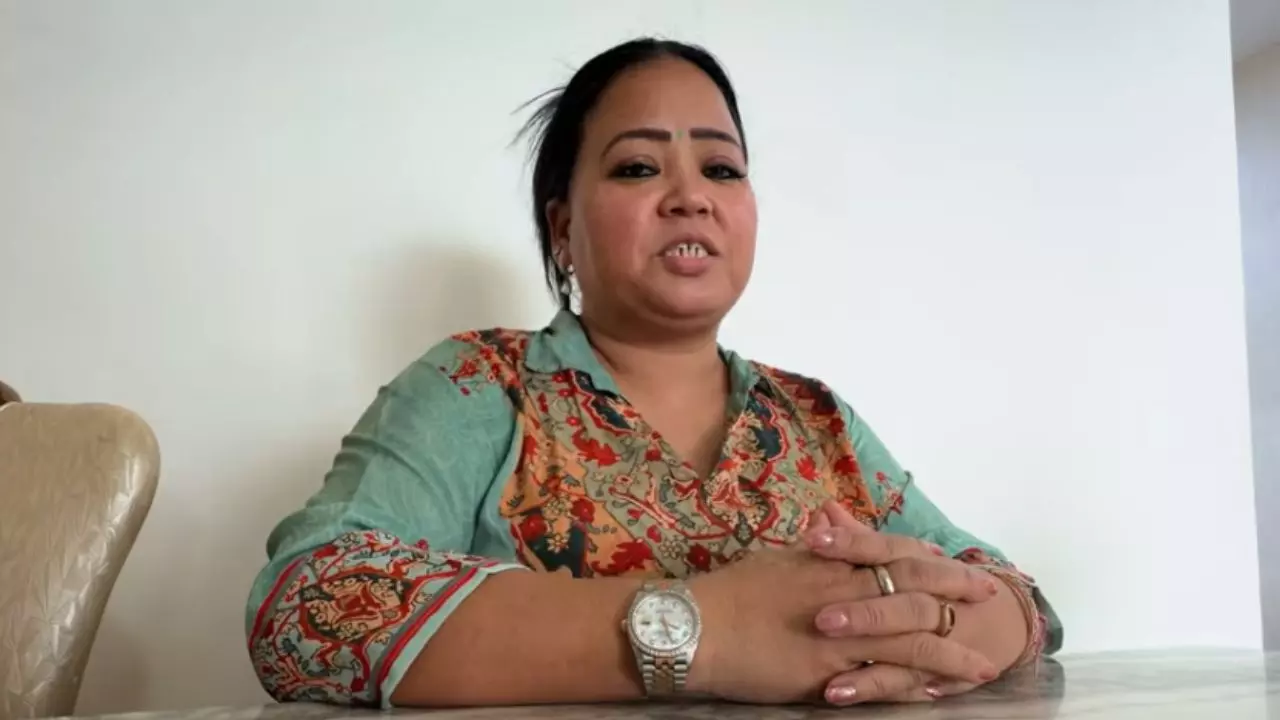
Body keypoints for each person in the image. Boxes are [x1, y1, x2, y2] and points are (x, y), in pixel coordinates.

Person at [244, 37, 1062, 710]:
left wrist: (934, 630)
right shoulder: (482, 385)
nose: (690, 197)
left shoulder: (814, 418)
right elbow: (306, 606)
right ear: (562, 229)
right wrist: (707, 628)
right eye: (638, 167)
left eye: (722, 169)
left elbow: (1017, 600)